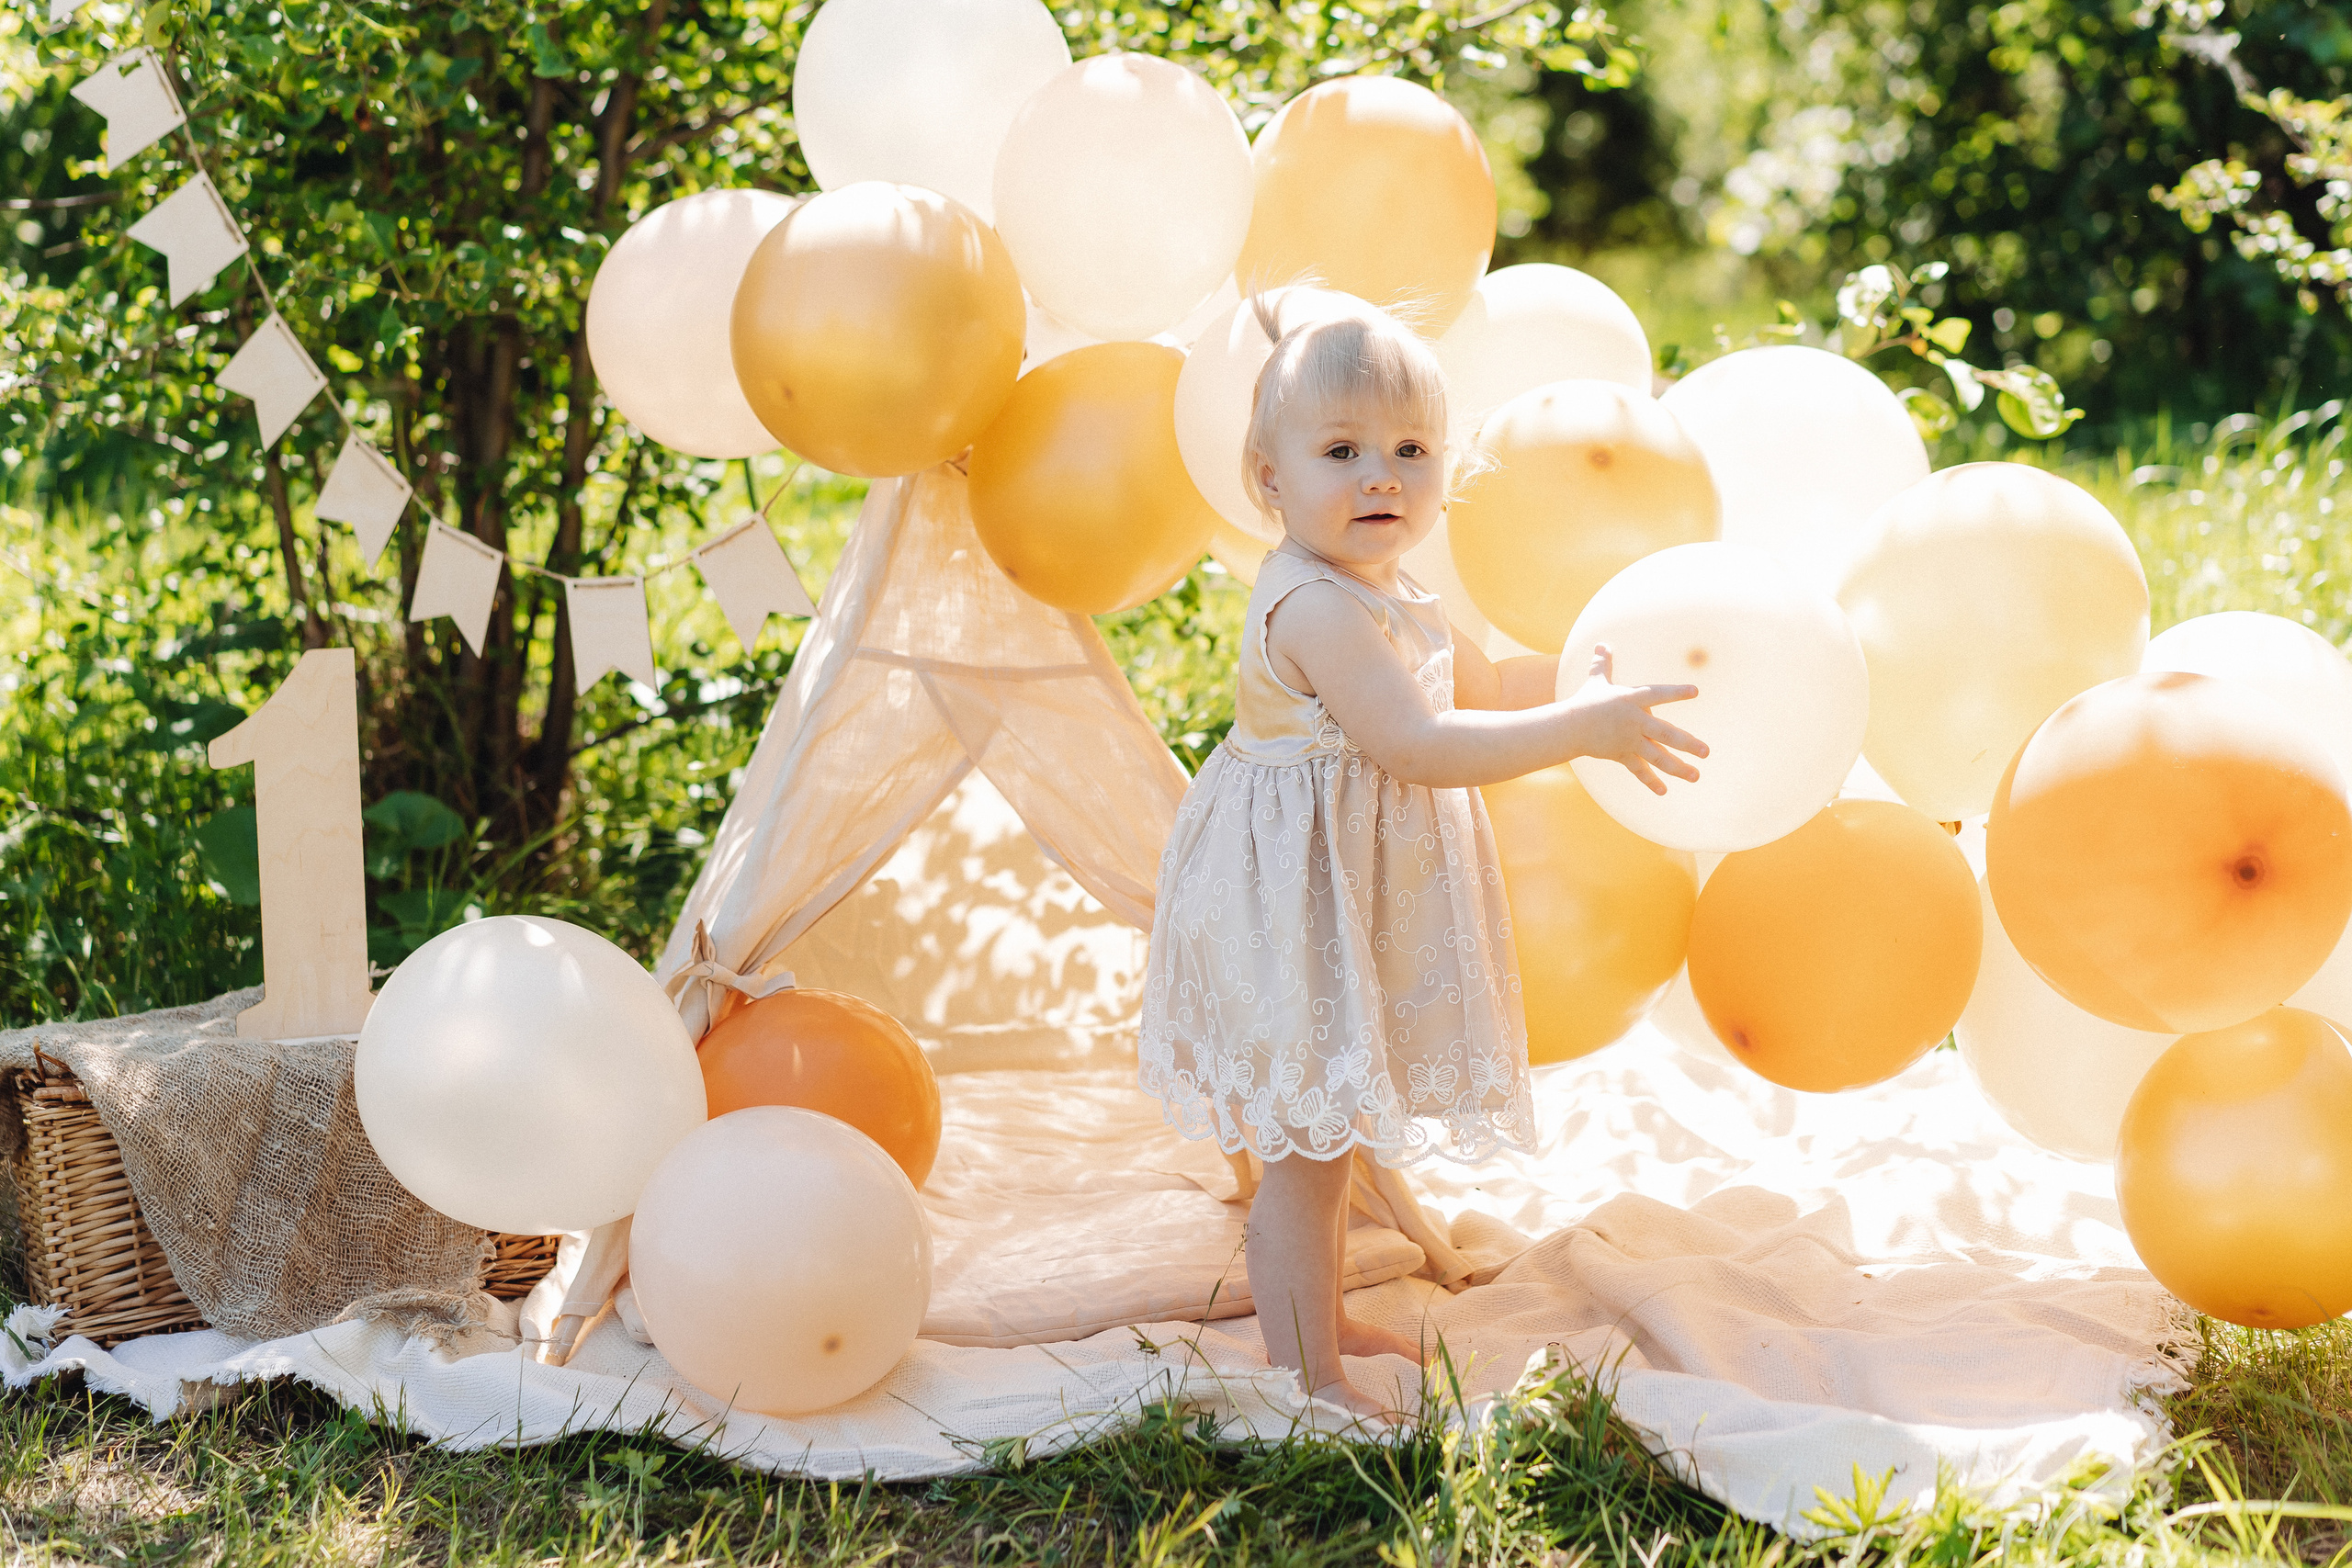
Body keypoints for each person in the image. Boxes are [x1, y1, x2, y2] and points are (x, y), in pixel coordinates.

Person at [1138, 300, 1709, 1421]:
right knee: (1307, 1151)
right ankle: (1306, 1374)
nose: (1378, 478)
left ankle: (1319, 1321)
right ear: (1269, 478)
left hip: (1349, 892)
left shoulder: (1395, 589)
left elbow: (1481, 689)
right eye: (1341, 452)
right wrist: (1585, 733)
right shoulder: (1313, 606)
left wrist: (1585, 673)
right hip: (1292, 902)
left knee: (1335, 1127)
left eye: (1409, 452)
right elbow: (1418, 743)